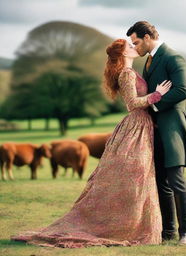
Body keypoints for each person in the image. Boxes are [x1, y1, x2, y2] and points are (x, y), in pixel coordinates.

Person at [11, 39, 171, 248]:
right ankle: (127, 227)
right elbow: (132, 104)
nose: (134, 48)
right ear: (122, 55)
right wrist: (157, 94)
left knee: (141, 179)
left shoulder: (131, 72)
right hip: (135, 127)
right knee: (136, 178)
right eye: (129, 47)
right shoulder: (126, 74)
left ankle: (138, 225)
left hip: (143, 127)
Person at [127, 21, 186, 245]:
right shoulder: (149, 60)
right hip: (153, 130)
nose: (135, 47)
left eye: (136, 42)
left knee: (176, 181)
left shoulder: (173, 58)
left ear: (147, 37)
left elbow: (182, 90)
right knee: (160, 182)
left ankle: (185, 232)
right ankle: (168, 232)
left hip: (172, 127)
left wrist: (154, 105)